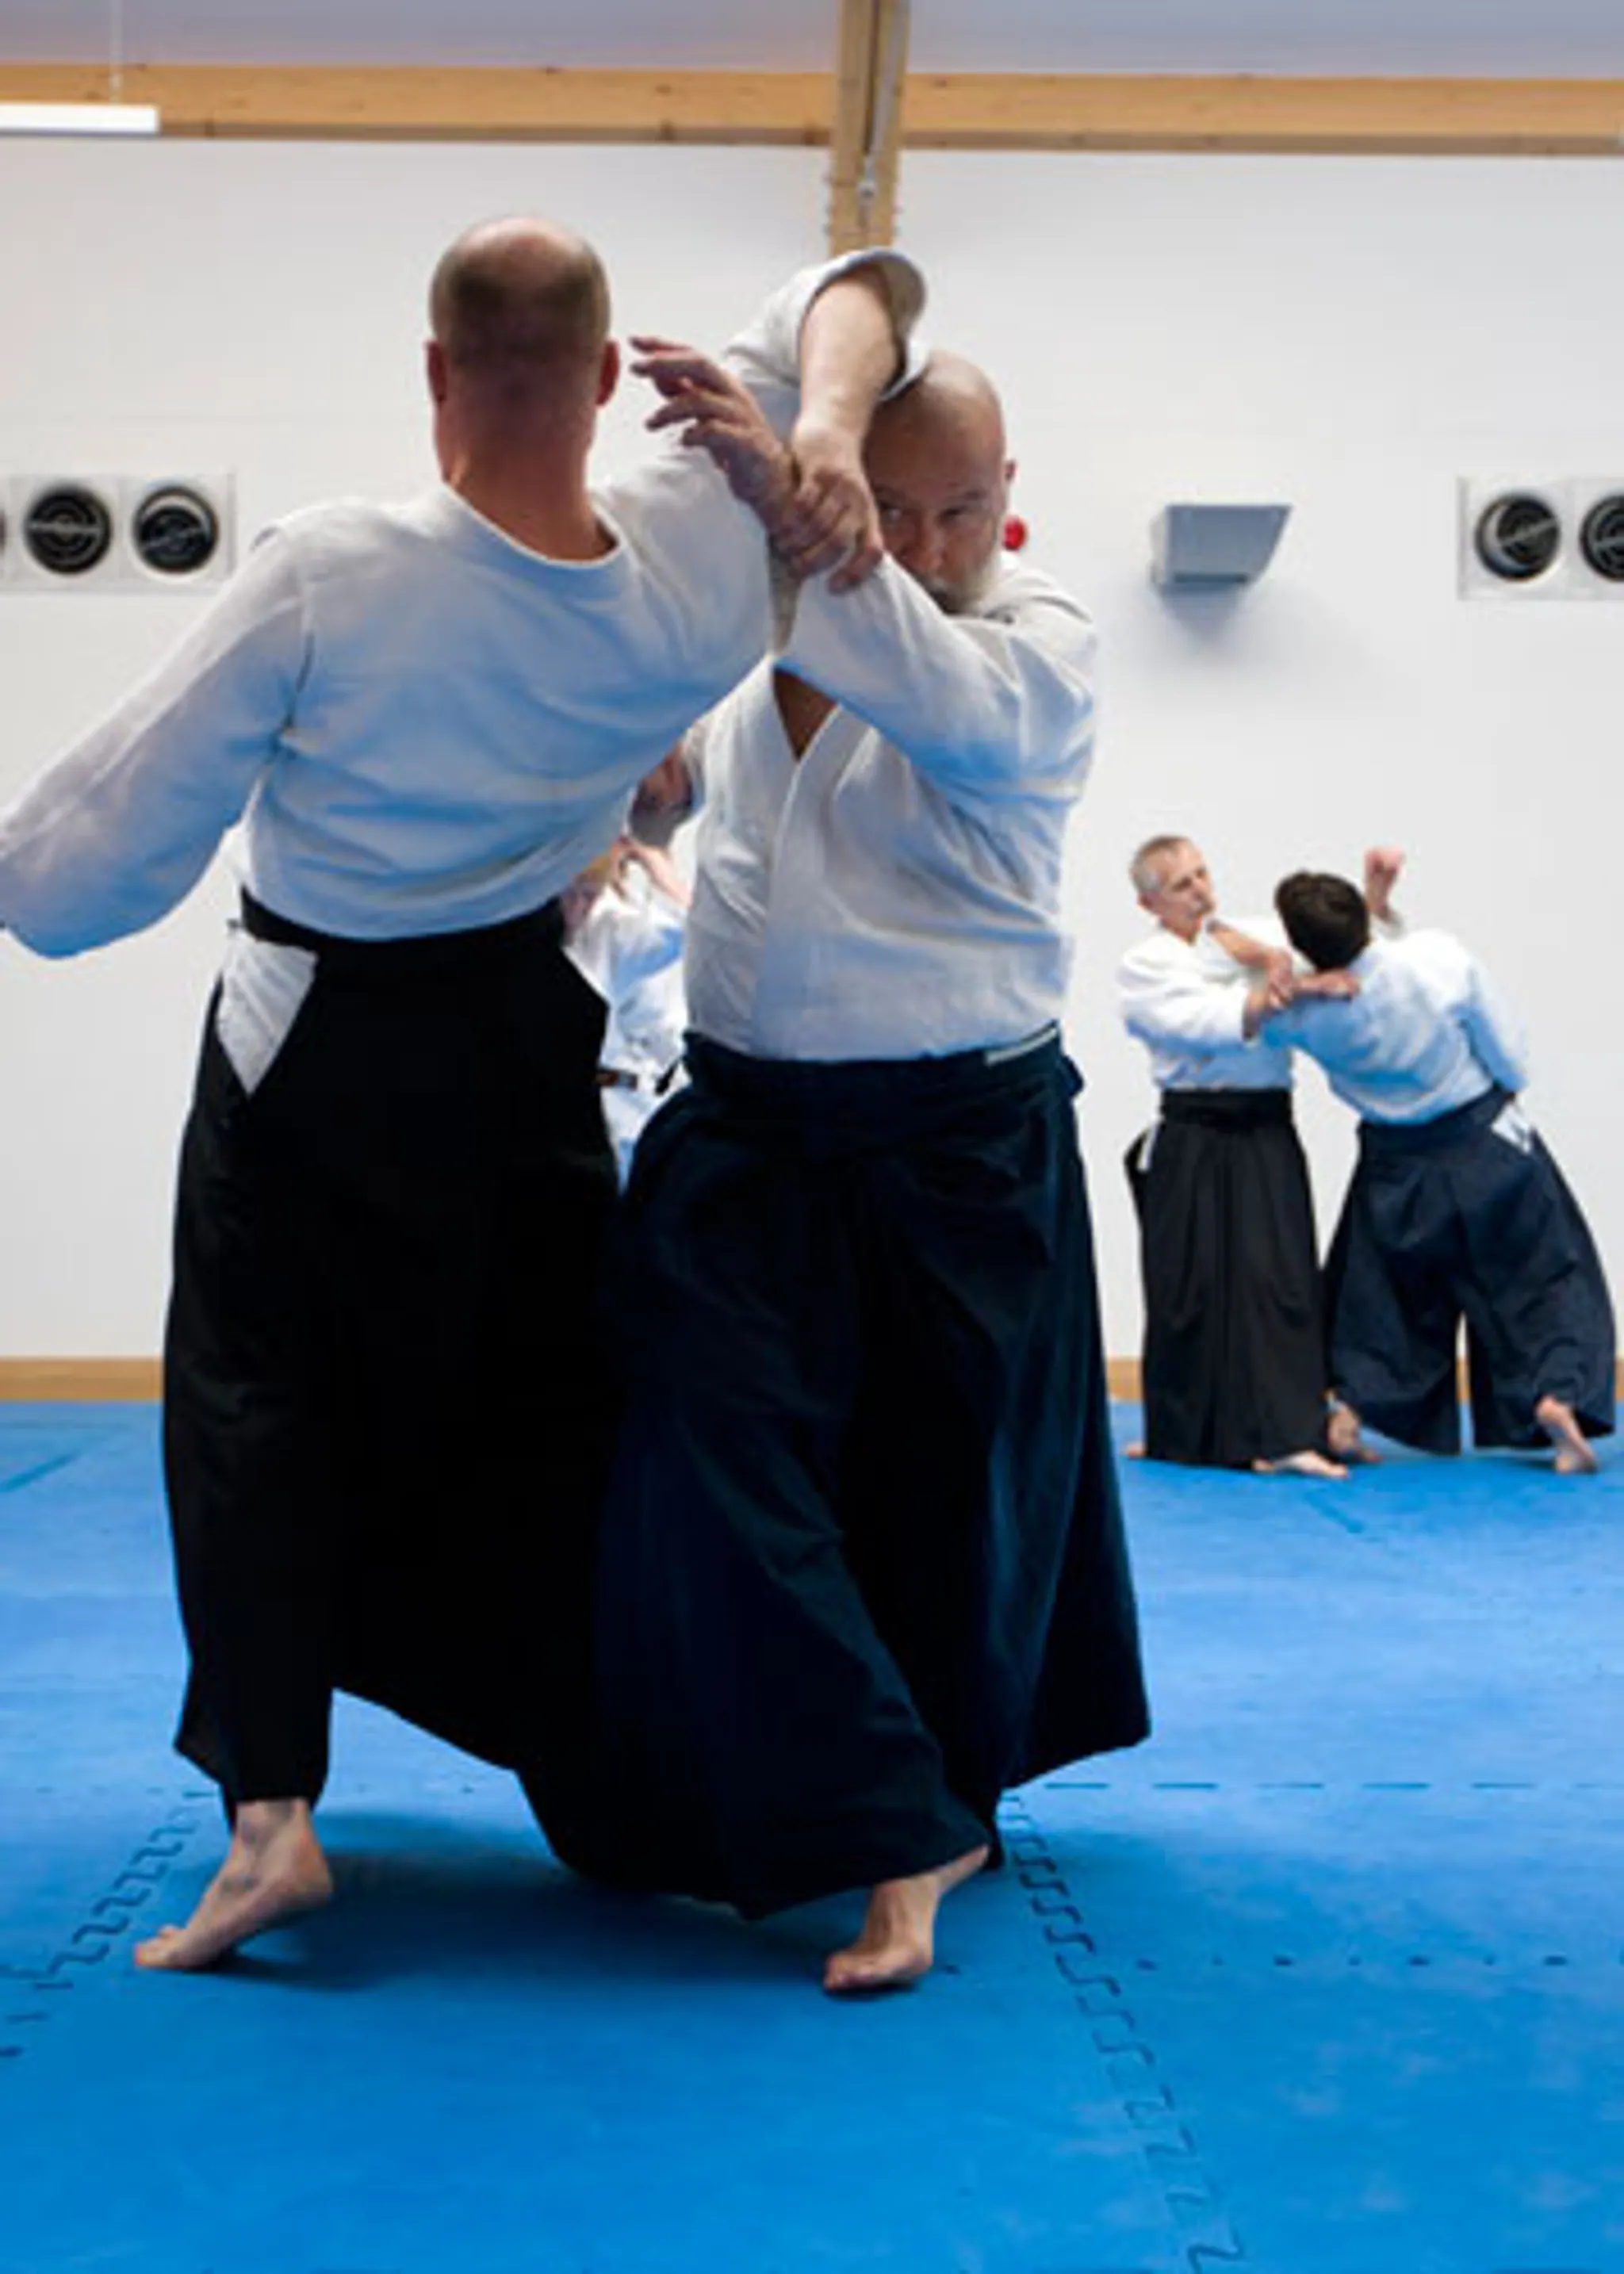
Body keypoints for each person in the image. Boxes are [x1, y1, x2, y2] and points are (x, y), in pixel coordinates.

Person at [0, 216, 926, 1970]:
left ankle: (272, 1825)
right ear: (602, 382)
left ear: (432, 375)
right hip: (519, 1038)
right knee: (554, 1418)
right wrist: (821, 432)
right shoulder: (708, 552)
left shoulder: (329, 570)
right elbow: (863, 291)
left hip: (317, 1047)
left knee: (257, 1414)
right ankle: (671, 1789)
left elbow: (80, 871)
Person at [551, 341, 1151, 1996]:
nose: (931, 541)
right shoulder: (753, 662)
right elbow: (706, 829)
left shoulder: (1041, 653)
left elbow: (926, 684)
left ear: (1007, 502)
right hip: (745, 1135)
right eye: (890, 506)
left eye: (965, 507)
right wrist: (634, 807)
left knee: (946, 1496)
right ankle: (883, 1805)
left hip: (959, 1142)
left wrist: (791, 520)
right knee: (698, 1450)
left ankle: (931, 1818)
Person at [1264, 866, 1614, 1473]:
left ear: (1302, 946)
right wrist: (1506, 1094)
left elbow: (1273, 971)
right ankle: (1558, 1396)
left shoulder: (1305, 1018)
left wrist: (1295, 977)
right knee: (1546, 1280)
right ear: (1360, 914)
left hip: (1395, 1164)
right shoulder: (1437, 959)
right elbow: (1507, 1050)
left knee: (1379, 1296)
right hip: (1484, 1140)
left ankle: (1350, 1411)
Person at [1117, 838, 1400, 1478]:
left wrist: (1373, 895)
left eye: (1201, 874)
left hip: (1264, 1123)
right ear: (1149, 902)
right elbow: (1192, 1020)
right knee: (1187, 1287)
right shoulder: (1144, 964)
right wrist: (1287, 994)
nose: (1198, 889)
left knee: (1279, 1279)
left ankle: (1290, 1431)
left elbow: (1339, 942)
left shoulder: (1257, 937)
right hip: (1193, 1128)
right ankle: (1180, 1432)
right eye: (1180, 884)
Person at [562, 835, 691, 1185]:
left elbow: (686, 930)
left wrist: (653, 861)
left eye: (587, 895)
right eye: (566, 895)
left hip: (625, 1102)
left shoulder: (612, 927)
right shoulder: (522, 932)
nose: (575, 909)